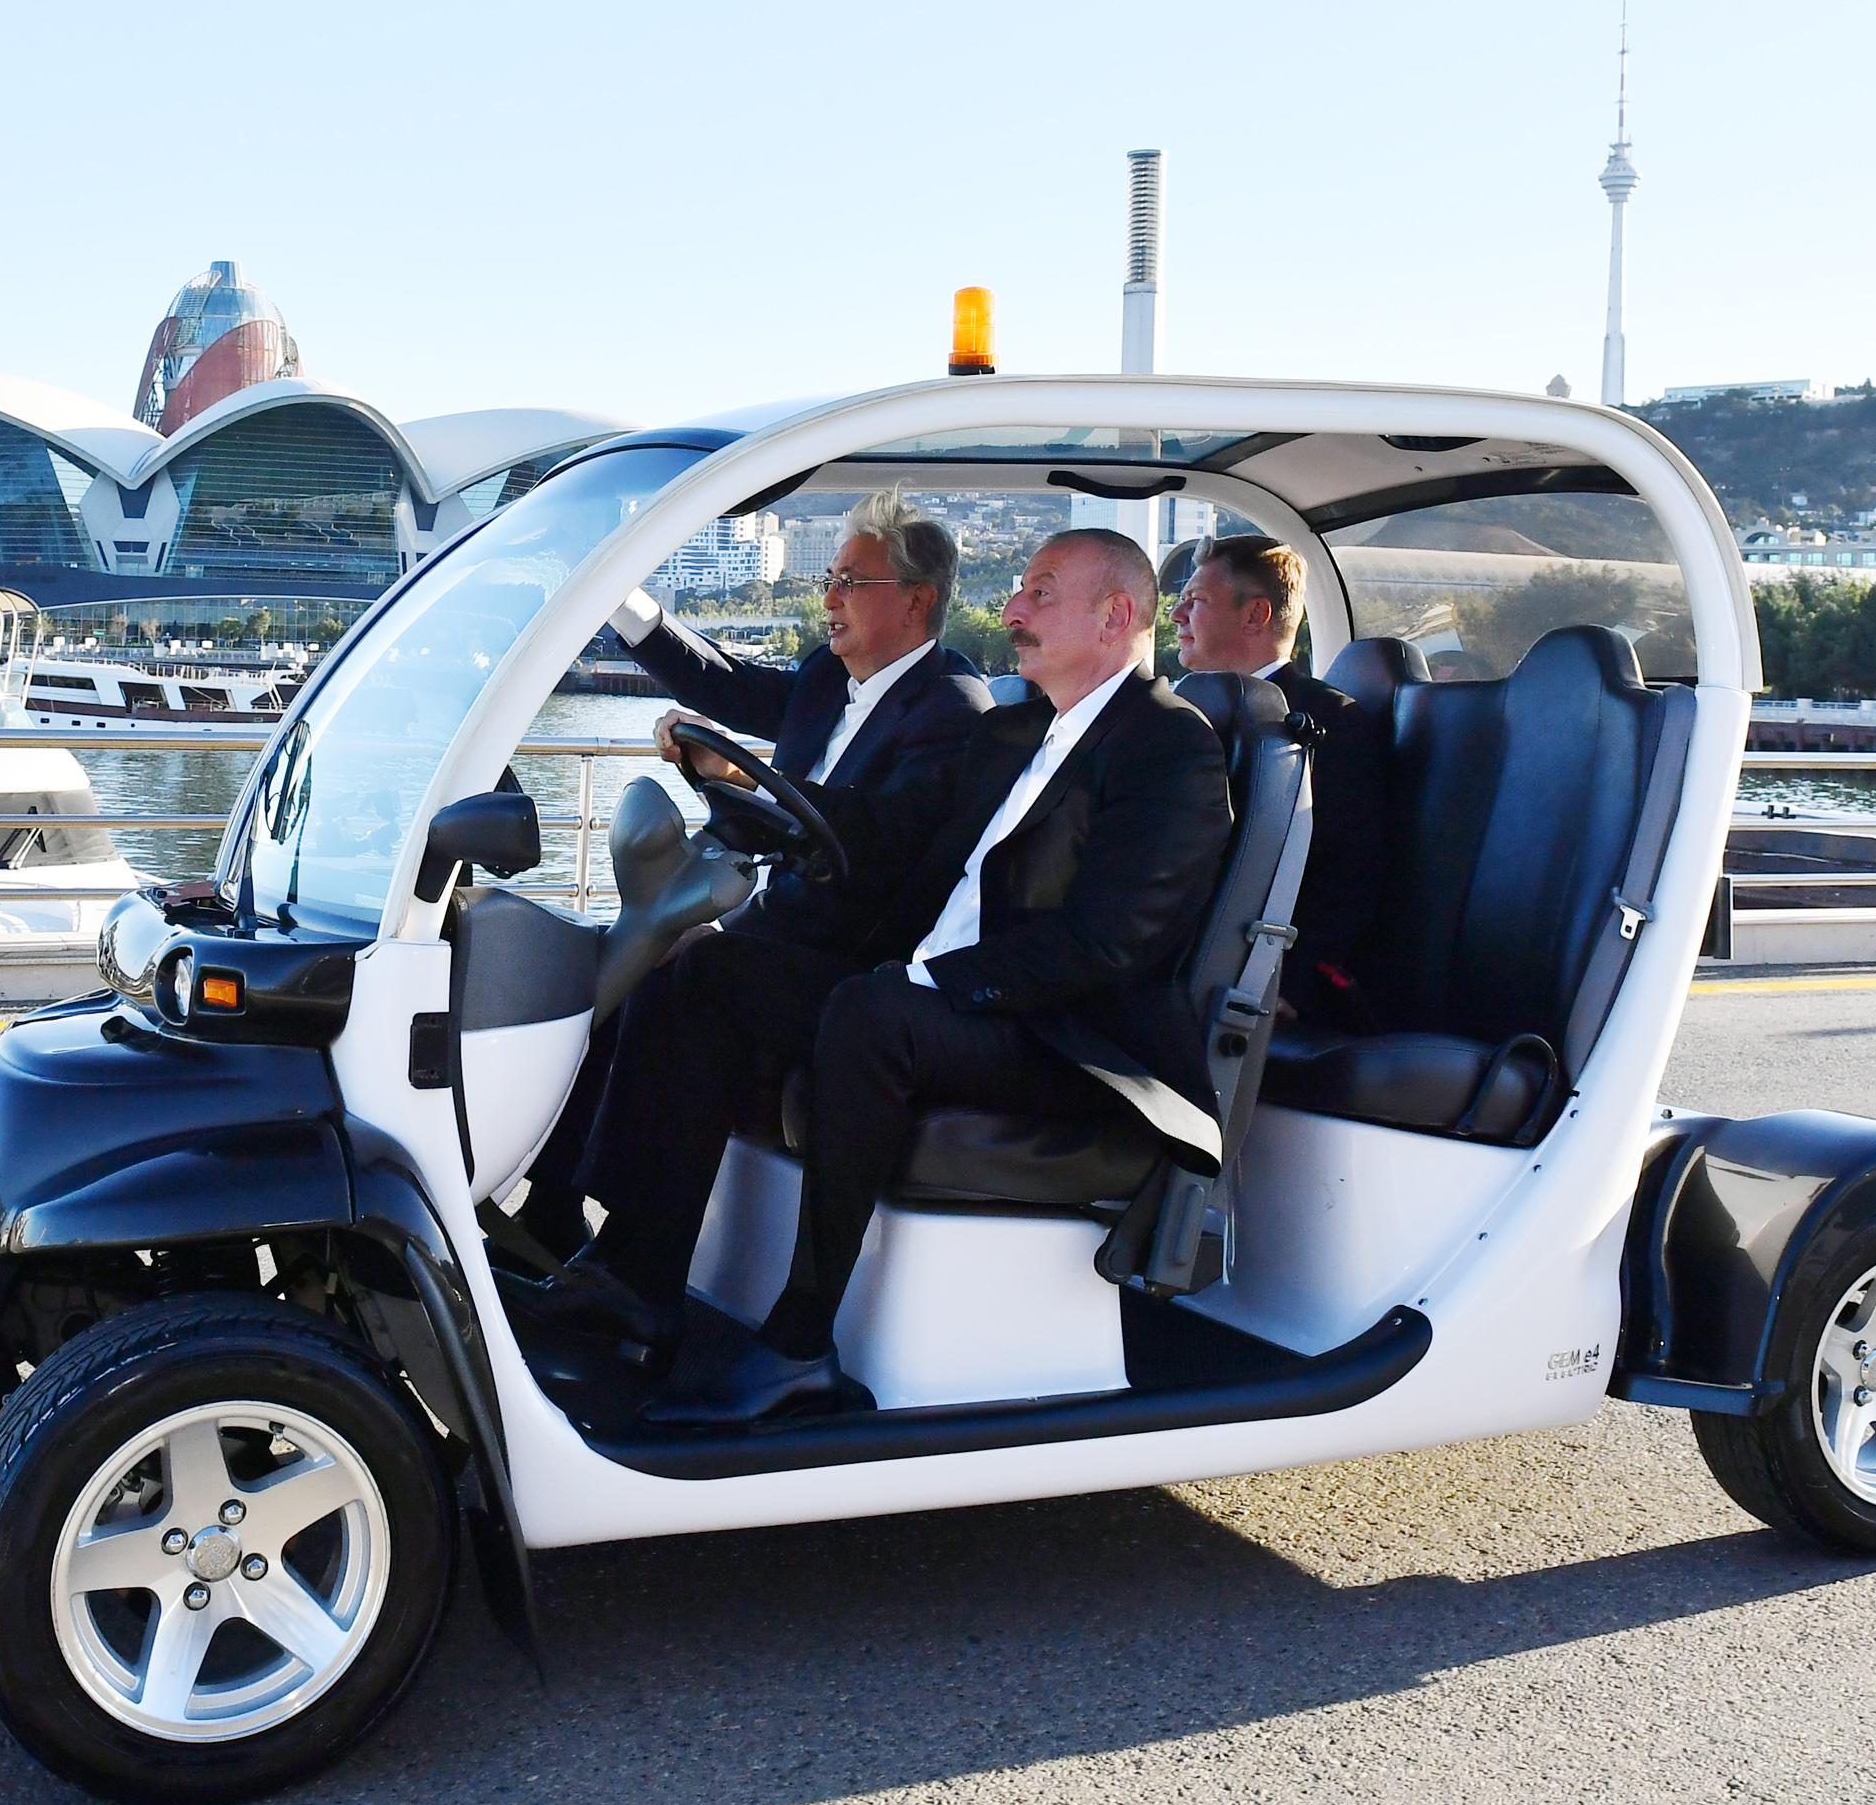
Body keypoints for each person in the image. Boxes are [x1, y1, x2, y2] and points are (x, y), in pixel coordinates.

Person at [530, 527, 1234, 1427]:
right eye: (1019, 590)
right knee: (704, 970)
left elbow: (1108, 945)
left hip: (1066, 1038)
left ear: (1115, 615)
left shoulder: (1170, 747)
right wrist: (757, 794)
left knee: (871, 1013)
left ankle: (798, 1345)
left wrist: (923, 984)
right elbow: (893, 841)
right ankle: (635, 1280)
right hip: (949, 1001)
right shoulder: (1012, 731)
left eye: (1039, 593)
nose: (1010, 611)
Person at [505, 494, 988, 1258]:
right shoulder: (827, 680)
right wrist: (616, 596)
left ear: (916, 601)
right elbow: (720, 680)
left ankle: (639, 1265)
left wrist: (746, 780)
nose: (828, 599)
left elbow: (879, 835)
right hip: (778, 929)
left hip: (858, 965)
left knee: (700, 974)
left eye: (850, 582)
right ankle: (551, 1209)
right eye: (828, 579)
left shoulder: (953, 709)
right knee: (626, 959)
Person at [1167, 532, 1373, 1020]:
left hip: (1252, 974)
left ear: (1255, 615)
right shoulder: (1177, 711)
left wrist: (1288, 985)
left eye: (1196, 600)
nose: (1176, 615)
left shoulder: (1329, 721)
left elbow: (1347, 871)